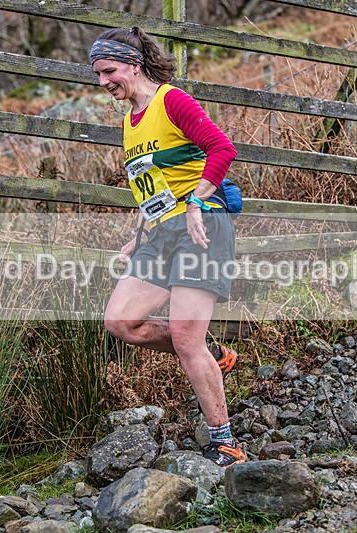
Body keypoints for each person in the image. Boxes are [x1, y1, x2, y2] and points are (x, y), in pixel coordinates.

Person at [90, 27, 245, 467]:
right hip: (160, 233)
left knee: (183, 337)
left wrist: (197, 200)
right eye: (98, 74)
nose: (103, 82)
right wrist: (137, 234)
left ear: (134, 64)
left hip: (202, 225)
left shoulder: (171, 100)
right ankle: (214, 354)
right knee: (122, 321)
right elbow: (152, 185)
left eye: (109, 71)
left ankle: (225, 444)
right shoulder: (129, 121)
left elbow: (222, 147)